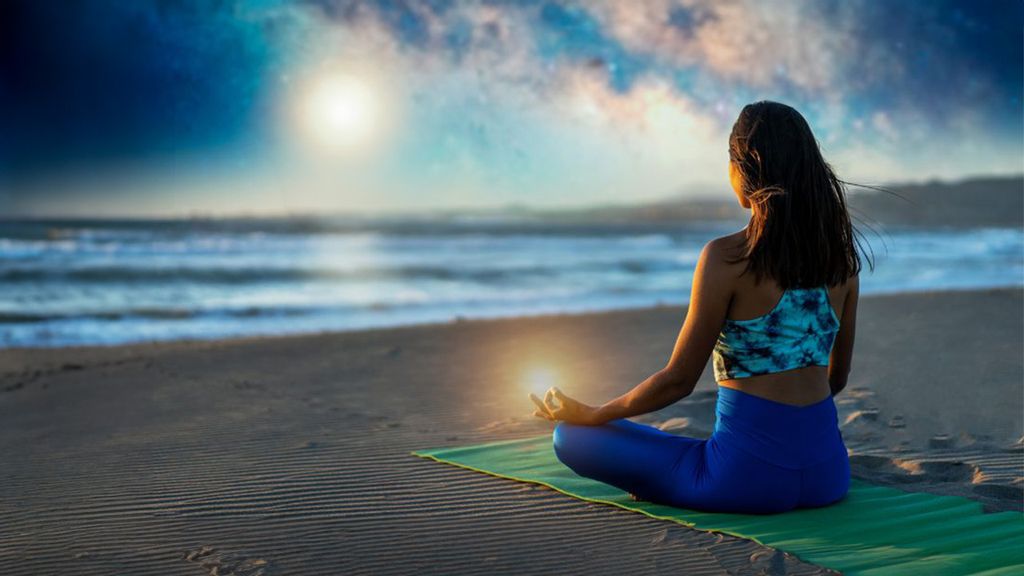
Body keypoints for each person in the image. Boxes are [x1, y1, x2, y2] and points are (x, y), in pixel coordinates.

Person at [529, 100, 871, 514]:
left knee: (571, 437)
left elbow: (678, 381)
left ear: (744, 167)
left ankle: (670, 481)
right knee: (699, 447)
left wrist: (595, 412)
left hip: (743, 482)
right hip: (827, 477)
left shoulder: (727, 259)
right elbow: (837, 379)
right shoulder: (840, 262)